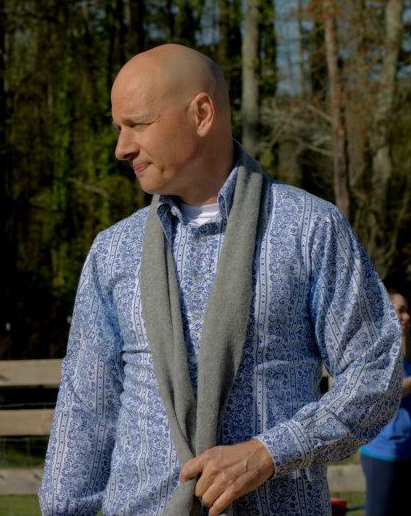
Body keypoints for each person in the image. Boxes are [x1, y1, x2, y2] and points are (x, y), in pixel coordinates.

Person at [39, 44, 402, 516]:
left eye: (138, 124)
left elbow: (376, 372)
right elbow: (84, 415)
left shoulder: (309, 228)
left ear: (202, 113)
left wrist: (272, 452)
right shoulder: (113, 252)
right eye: (118, 128)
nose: (121, 148)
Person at [360, 288, 411, 515]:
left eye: (407, 311)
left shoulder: (404, 360)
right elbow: (388, 395)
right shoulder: (374, 357)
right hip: (383, 453)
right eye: (400, 310)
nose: (407, 316)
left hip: (405, 453)